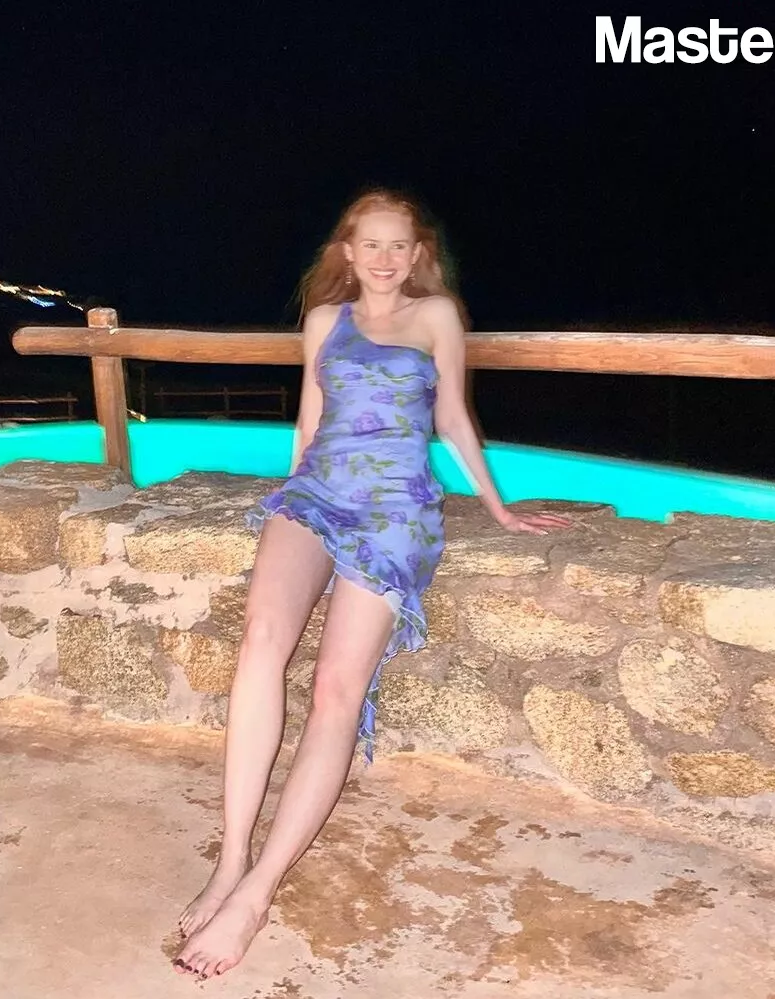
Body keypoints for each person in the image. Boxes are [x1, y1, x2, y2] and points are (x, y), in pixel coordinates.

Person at [173, 190, 570, 979]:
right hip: (317, 495)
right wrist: (294, 498)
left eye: (399, 245)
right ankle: (230, 856)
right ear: (347, 252)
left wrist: (497, 505)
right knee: (260, 643)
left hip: (395, 510)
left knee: (336, 689)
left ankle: (257, 891)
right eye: (371, 245)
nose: (385, 258)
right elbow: (309, 422)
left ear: (417, 253)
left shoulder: (437, 316)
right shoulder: (325, 320)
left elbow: (452, 418)